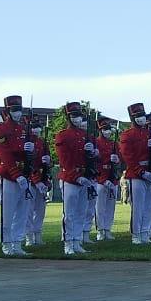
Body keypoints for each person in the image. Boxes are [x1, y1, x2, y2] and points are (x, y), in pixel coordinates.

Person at [0, 95, 34, 257]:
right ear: (7, 111)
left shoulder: (24, 128)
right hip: (9, 174)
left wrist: (30, 150)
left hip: (24, 173)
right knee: (7, 213)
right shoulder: (1, 129)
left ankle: (17, 242)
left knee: (22, 212)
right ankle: (7, 243)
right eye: (14, 110)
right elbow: (5, 154)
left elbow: (29, 154)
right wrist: (17, 175)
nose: (17, 113)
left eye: (19, 109)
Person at [54, 102, 97, 256]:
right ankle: (68, 243)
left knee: (81, 212)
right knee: (70, 213)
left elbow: (91, 160)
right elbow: (64, 160)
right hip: (71, 178)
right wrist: (77, 176)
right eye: (74, 115)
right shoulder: (63, 135)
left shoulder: (87, 136)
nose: (77, 119)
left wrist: (92, 154)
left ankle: (77, 241)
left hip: (84, 177)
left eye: (79, 115)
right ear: (68, 117)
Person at [118, 102, 151, 245]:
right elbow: (128, 157)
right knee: (138, 207)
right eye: (137, 116)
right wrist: (141, 172)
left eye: (142, 115)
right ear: (132, 117)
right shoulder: (127, 135)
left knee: (149, 205)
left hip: (150, 172)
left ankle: (145, 233)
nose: (141, 118)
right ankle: (136, 235)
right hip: (136, 174)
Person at [94, 116, 121, 240]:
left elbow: (121, 160)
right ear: (100, 130)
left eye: (109, 129)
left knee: (110, 207)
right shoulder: (96, 143)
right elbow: (94, 164)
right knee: (100, 207)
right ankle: (100, 230)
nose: (108, 131)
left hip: (112, 178)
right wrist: (103, 180)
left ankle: (108, 229)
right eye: (105, 129)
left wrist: (117, 160)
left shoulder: (114, 144)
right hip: (100, 179)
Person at [25, 121, 51, 247]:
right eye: (34, 127)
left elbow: (46, 165)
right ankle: (29, 237)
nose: (37, 129)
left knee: (40, 211)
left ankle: (37, 234)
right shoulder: (26, 142)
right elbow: (28, 165)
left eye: (38, 127)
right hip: (30, 180)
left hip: (42, 178)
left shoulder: (42, 143)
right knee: (28, 211)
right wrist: (36, 181)